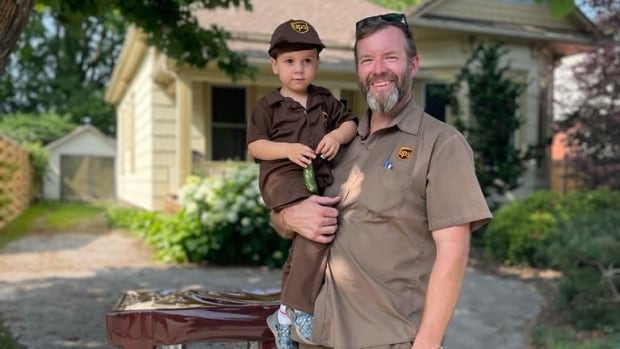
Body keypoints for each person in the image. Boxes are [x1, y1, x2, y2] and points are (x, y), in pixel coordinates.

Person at [271, 13, 493, 349]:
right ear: (358, 70)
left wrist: (428, 344)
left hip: (386, 340)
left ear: (413, 64)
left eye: (390, 57)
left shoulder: (440, 144)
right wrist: (288, 217)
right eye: (367, 60)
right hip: (314, 336)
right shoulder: (335, 143)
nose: (378, 69)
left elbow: (454, 250)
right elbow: (285, 212)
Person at [246, 19, 358, 349]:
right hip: (281, 176)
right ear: (274, 65)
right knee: (316, 228)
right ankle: (301, 309)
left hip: (315, 179)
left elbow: (350, 123)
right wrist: (288, 150)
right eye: (290, 61)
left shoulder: (324, 100)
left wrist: (336, 136)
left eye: (307, 61)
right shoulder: (269, 105)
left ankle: (284, 315)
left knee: (311, 240)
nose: (299, 69)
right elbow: (255, 145)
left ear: (317, 64)